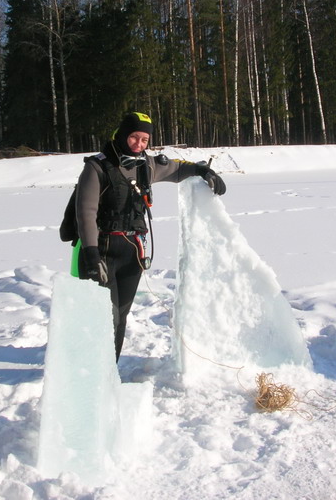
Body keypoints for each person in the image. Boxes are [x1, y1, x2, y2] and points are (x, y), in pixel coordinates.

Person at [72, 111, 226, 360]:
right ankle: (89, 374)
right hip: (102, 249)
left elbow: (177, 170)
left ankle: (109, 372)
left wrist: (202, 171)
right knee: (103, 318)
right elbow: (85, 212)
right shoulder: (97, 167)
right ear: (122, 135)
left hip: (133, 251)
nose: (139, 144)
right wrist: (91, 253)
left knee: (120, 316)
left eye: (145, 140)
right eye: (134, 137)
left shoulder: (147, 165)